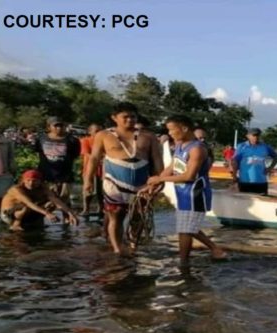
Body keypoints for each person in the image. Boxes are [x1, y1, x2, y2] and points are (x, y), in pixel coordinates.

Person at [84, 102, 164, 255]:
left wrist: (159, 180)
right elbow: (94, 159)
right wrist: (88, 181)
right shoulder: (104, 135)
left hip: (141, 183)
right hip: (113, 182)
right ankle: (117, 248)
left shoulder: (148, 136)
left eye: (133, 116)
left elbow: (157, 159)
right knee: (116, 215)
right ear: (114, 118)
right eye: (125, 117)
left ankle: (134, 247)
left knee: (138, 215)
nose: (130, 120)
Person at [145, 115, 226, 265]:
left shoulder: (197, 149)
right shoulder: (179, 145)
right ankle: (215, 250)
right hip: (183, 194)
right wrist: (155, 184)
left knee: (185, 230)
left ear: (184, 128)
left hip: (195, 194)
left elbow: (189, 176)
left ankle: (183, 262)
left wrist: (160, 180)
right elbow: (172, 167)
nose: (169, 133)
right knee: (186, 227)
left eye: (171, 130)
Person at [33, 116, 81, 223]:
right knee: (45, 200)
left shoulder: (72, 140)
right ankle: (40, 219)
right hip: (46, 175)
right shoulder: (41, 138)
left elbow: (75, 155)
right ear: (49, 127)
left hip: (65, 175)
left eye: (61, 125)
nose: (59, 128)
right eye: (56, 126)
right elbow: (38, 153)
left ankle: (67, 223)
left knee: (65, 199)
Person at [0, 169, 78, 231]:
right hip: (10, 214)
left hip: (30, 212)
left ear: (40, 181)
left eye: (34, 181)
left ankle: (36, 221)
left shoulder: (43, 188)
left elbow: (55, 200)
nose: (31, 183)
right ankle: (16, 224)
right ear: (23, 180)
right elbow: (29, 203)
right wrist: (47, 213)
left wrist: (70, 213)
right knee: (25, 205)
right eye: (28, 180)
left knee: (52, 203)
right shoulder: (16, 189)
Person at [231, 128, 277, 195]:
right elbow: (234, 161)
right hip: (245, 182)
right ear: (248, 136)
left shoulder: (265, 147)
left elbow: (276, 157)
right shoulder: (242, 147)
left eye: (258, 135)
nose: (256, 137)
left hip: (261, 182)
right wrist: (234, 177)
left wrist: (270, 168)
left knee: (262, 204)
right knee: (244, 203)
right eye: (254, 135)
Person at [79, 123, 103, 216]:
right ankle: (86, 209)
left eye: (100, 131)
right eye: (96, 131)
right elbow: (86, 153)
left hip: (101, 169)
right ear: (90, 132)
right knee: (87, 190)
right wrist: (98, 158)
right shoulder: (86, 140)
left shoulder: (103, 141)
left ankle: (101, 208)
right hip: (89, 169)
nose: (99, 133)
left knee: (100, 191)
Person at [0, 120, 16, 214]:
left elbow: (11, 158)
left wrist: (12, 170)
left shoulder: (6, 141)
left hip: (2, 175)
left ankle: (3, 220)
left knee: (3, 200)